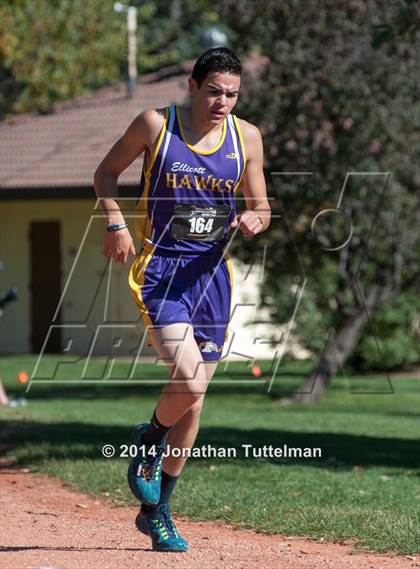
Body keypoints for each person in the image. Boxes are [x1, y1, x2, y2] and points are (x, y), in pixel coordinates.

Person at [94, 47, 270, 552]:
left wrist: (257, 219)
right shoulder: (156, 124)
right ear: (192, 87)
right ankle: (148, 439)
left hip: (213, 277)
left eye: (232, 94)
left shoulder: (247, 138)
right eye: (214, 90)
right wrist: (115, 221)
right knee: (188, 380)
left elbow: (260, 207)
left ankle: (157, 510)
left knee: (193, 404)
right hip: (163, 271)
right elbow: (106, 173)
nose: (223, 102)